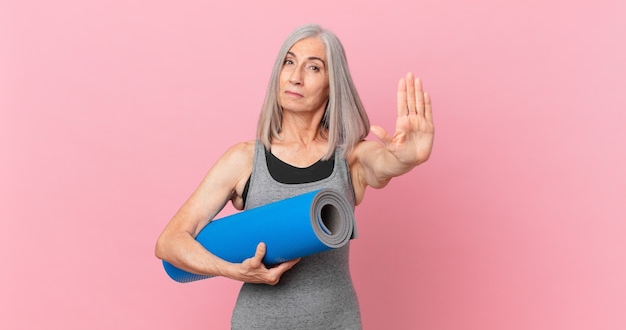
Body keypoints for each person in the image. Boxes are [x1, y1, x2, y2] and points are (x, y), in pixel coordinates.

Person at [155, 23, 434, 329]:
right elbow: (169, 243)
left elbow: (383, 164)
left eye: (313, 67)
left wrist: (406, 160)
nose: (295, 77)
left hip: (336, 322)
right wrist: (232, 270)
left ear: (332, 84)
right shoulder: (245, 159)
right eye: (289, 62)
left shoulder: (350, 156)